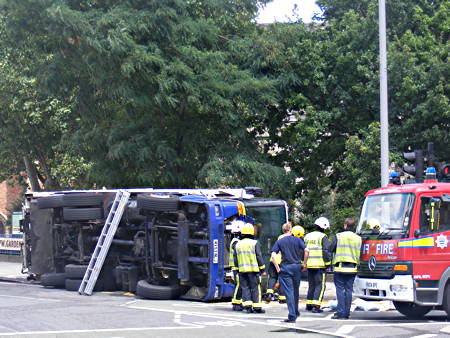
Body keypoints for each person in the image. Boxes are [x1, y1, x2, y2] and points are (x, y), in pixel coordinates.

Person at [271, 223, 309, 323]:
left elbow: (273, 255)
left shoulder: (280, 241)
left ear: (283, 230)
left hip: (286, 267)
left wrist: (278, 268)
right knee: (295, 290)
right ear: (291, 230)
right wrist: (304, 263)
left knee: (289, 291)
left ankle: (292, 315)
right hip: (297, 267)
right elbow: (307, 250)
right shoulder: (297, 240)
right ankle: (296, 311)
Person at [329, 218, 362, 319]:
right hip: (352, 268)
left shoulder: (339, 236)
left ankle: (340, 312)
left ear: (345, 226)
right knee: (348, 291)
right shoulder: (358, 238)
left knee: (340, 290)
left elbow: (330, 248)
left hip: (340, 267)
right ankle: (346, 313)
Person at [234, 223, 266, 313]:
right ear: (252, 233)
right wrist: (262, 269)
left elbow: (236, 258)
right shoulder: (254, 243)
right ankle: (257, 307)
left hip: (242, 271)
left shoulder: (238, 244)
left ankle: (247, 306)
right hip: (253, 270)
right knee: (255, 288)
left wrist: (236, 270)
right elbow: (258, 256)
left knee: (245, 288)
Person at [304, 216, 331, 313]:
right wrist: (328, 264)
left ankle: (309, 305)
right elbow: (325, 251)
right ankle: (316, 306)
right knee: (320, 285)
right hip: (320, 265)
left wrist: (304, 263)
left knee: (311, 285)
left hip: (309, 265)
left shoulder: (307, 236)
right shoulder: (323, 237)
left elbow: (303, 250)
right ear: (323, 227)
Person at [264, 223, 292, 304]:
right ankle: (282, 297)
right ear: (290, 230)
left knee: (272, 278)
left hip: (273, 260)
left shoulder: (279, 237)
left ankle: (269, 293)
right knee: (283, 279)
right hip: (282, 261)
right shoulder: (290, 238)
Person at [228, 220, 244, 311]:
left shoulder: (235, 240)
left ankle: (238, 302)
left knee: (239, 284)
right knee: (239, 284)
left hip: (236, 266)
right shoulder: (236, 242)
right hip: (236, 267)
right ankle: (236, 302)